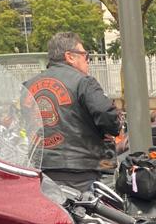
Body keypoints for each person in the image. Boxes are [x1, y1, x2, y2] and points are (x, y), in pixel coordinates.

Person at [24, 32, 122, 192]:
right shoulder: (83, 82)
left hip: (40, 170)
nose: (87, 61)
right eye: (85, 55)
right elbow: (106, 114)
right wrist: (114, 127)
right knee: (84, 207)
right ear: (70, 56)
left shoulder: (28, 85)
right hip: (80, 172)